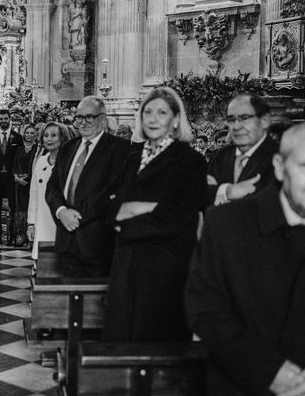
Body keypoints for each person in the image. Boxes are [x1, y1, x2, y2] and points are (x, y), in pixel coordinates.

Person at [185, 123, 305, 396]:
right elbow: (204, 310)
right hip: (243, 384)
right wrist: (271, 371)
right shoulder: (228, 224)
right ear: (279, 166)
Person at [101, 87, 207, 342]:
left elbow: (173, 217)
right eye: (147, 111)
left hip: (165, 268)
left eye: (161, 112)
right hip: (126, 264)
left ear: (175, 119)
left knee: (158, 349)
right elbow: (105, 200)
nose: (153, 118)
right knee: (123, 348)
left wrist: (125, 216)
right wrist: (139, 208)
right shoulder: (132, 156)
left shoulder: (190, 161)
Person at [46, 96, 130, 277]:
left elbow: (112, 190)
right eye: (79, 117)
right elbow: (53, 186)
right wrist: (61, 211)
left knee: (97, 303)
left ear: (102, 119)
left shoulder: (119, 148)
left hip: (98, 242)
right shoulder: (68, 147)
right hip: (66, 240)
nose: (83, 123)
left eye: (89, 117)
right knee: (70, 301)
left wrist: (76, 216)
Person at [207, 93, 278, 206]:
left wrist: (218, 191)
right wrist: (228, 191)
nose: (236, 127)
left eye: (244, 118)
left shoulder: (280, 156)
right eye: (231, 119)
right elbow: (198, 193)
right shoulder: (221, 156)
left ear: (265, 120)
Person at [27, 122, 70, 260]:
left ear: (62, 138)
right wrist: (31, 224)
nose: (48, 139)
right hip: (42, 221)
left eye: (53, 135)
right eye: (45, 135)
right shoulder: (41, 161)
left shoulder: (68, 162)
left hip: (61, 220)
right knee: (42, 262)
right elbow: (33, 195)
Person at [0, 109, 23, 246]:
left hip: (11, 177)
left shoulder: (18, 137)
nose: (3, 121)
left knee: (13, 207)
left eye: (5, 119)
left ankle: (11, 236)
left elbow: (18, 157)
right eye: (1, 119)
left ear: (10, 119)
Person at [12, 125, 38, 247]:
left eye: (32, 133)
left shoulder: (37, 149)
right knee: (20, 209)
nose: (29, 135)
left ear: (36, 135)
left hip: (31, 183)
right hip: (19, 184)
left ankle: (31, 237)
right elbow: (15, 165)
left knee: (30, 207)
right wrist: (16, 177)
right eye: (27, 132)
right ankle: (20, 235)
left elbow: (35, 167)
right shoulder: (19, 149)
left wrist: (28, 180)